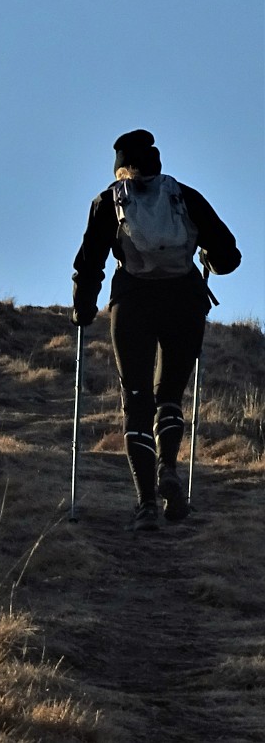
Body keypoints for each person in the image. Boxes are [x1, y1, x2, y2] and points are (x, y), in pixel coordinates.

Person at [72, 129, 240, 531]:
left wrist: (83, 307)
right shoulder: (185, 196)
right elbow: (229, 255)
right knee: (170, 398)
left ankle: (146, 503)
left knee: (136, 399)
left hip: (134, 302)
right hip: (184, 300)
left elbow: (89, 261)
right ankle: (169, 468)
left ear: (120, 168)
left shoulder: (109, 201)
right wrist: (208, 259)